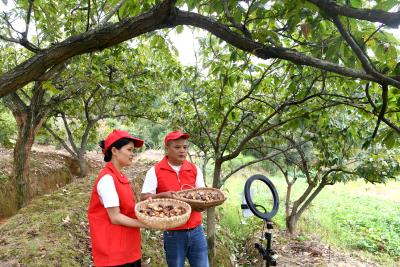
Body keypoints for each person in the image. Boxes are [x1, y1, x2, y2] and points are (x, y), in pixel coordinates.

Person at [141, 130, 209, 267]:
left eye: (185, 147)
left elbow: (202, 195)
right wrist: (162, 195)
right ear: (167, 149)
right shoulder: (155, 171)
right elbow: (144, 198)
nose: (182, 151)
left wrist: (202, 205)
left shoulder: (194, 169)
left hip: (197, 231)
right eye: (177, 147)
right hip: (173, 234)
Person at [88, 129, 150, 267]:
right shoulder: (107, 179)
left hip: (128, 248)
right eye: (129, 149)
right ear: (115, 151)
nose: (132, 154)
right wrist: (146, 224)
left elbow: (126, 208)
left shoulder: (119, 176)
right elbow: (115, 217)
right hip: (114, 254)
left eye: (132, 150)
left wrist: (146, 208)